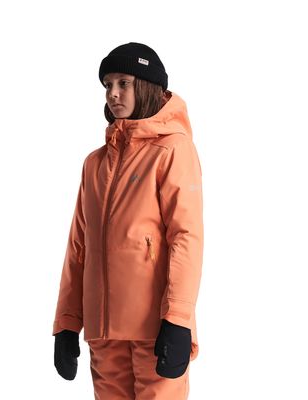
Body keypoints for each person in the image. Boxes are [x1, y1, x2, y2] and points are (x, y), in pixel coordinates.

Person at [52, 42, 204, 400]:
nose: (113, 93)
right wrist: (67, 323)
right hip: (104, 331)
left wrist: (178, 319)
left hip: (155, 329)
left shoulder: (172, 150)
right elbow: (78, 247)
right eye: (108, 85)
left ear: (148, 86)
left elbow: (186, 237)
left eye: (124, 83)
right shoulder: (94, 164)